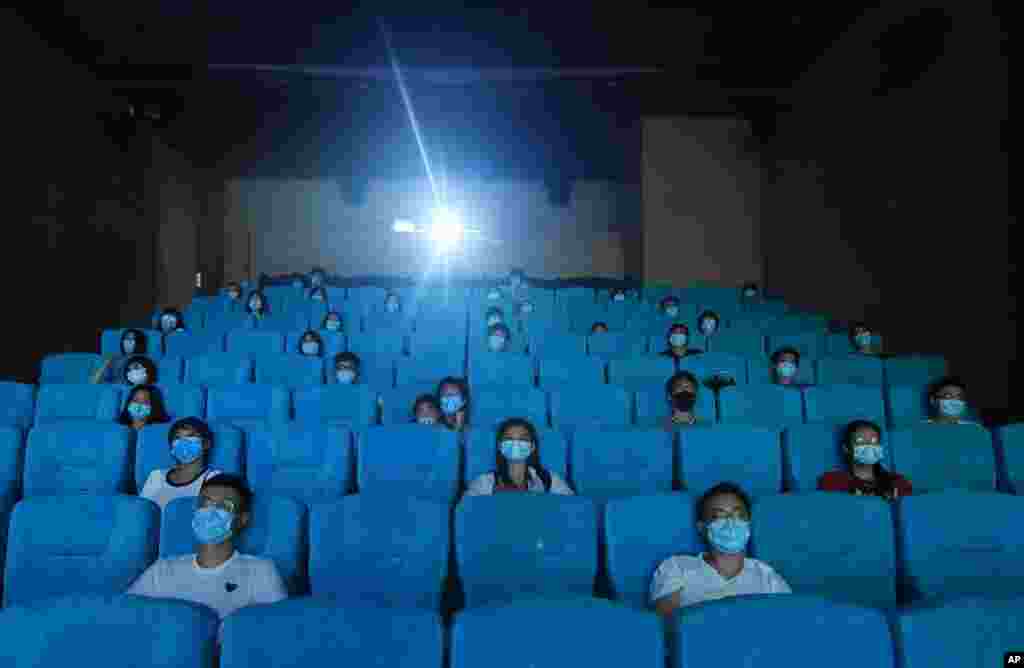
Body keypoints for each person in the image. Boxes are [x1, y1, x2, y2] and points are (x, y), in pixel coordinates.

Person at [127, 474, 287, 638]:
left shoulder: (261, 572)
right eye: (205, 503)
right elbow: (128, 617)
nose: (211, 512)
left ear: (242, 520)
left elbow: (278, 633)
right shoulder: (162, 570)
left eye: (224, 506)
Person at [650, 482, 790, 617]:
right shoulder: (676, 567)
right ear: (702, 528)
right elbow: (668, 627)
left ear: (748, 523)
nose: (731, 522)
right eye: (719, 516)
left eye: (739, 515)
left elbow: (788, 621)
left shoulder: (766, 576)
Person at [466, 418, 574, 495]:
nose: (515, 443)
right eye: (509, 439)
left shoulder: (549, 480)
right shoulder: (484, 483)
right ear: (500, 446)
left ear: (532, 447)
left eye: (523, 439)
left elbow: (571, 509)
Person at [139, 418, 222, 510]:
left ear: (206, 444)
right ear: (172, 448)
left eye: (191, 436)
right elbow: (142, 512)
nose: (184, 442)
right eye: (178, 438)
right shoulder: (156, 476)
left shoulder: (215, 479)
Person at [817, 420, 912, 499]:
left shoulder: (898, 482)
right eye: (860, 441)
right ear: (846, 449)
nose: (868, 446)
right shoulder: (834, 481)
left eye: (874, 441)